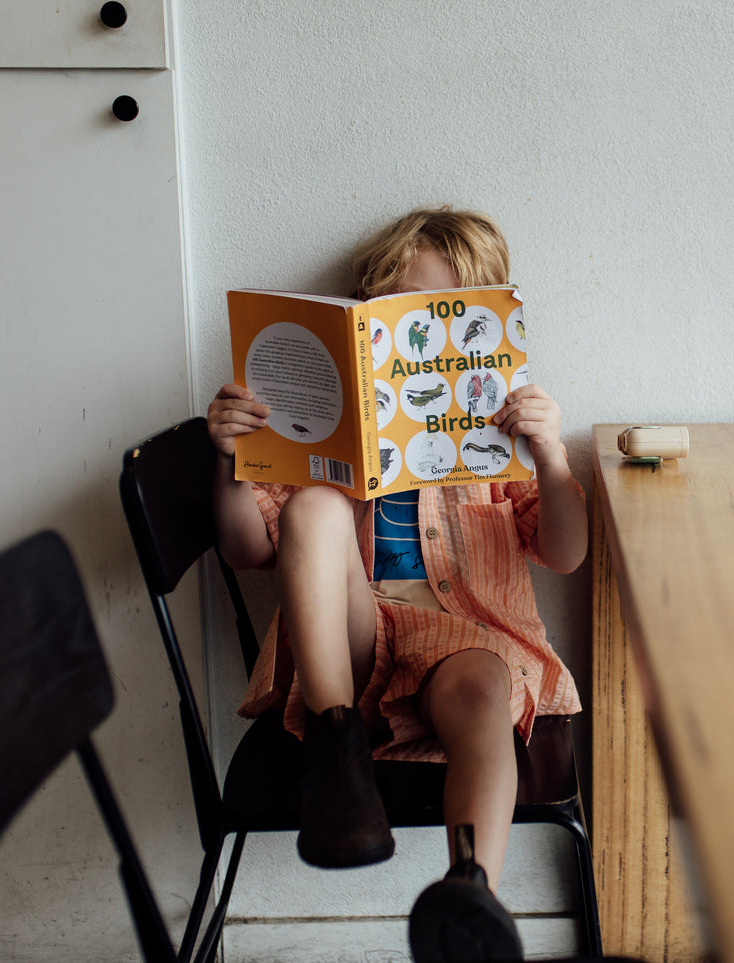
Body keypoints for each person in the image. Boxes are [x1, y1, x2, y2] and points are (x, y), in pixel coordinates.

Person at [206, 207, 586, 961]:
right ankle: (334, 749)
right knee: (314, 503)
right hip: (344, 644)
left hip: (462, 643)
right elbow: (249, 548)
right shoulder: (316, 424)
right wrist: (229, 459)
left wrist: (550, 456)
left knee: (482, 684)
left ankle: (471, 889)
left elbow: (564, 552)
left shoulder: (501, 428)